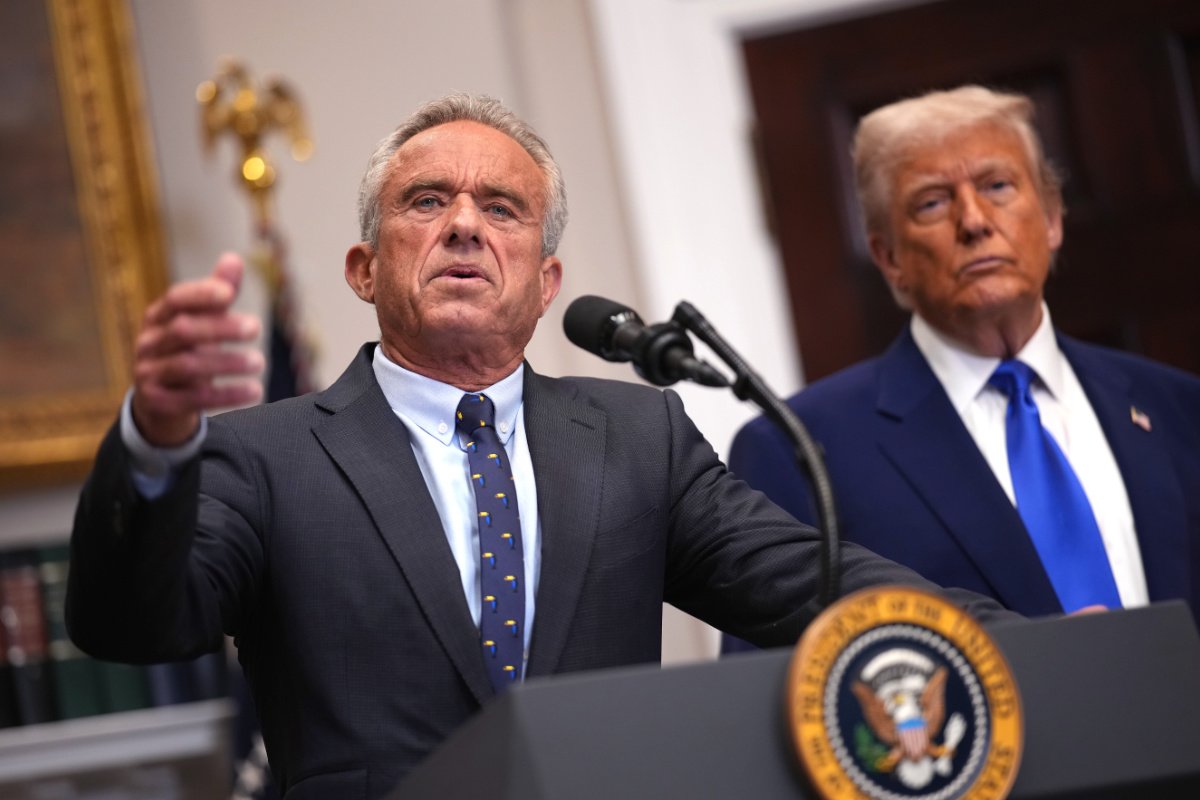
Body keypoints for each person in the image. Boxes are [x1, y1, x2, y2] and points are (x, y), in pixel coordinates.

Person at [66, 93, 1016, 798]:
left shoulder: (637, 438)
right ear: (364, 269)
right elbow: (132, 629)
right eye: (427, 201)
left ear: (547, 277)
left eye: (502, 208)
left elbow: (810, 584)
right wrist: (154, 444)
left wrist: (1018, 641)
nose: (466, 225)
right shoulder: (262, 455)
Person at [725, 86, 1200, 652]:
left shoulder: (1177, 407)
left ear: (1051, 219)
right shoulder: (799, 451)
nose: (974, 221)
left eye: (997, 186)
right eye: (931, 203)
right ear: (889, 257)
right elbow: (774, 686)